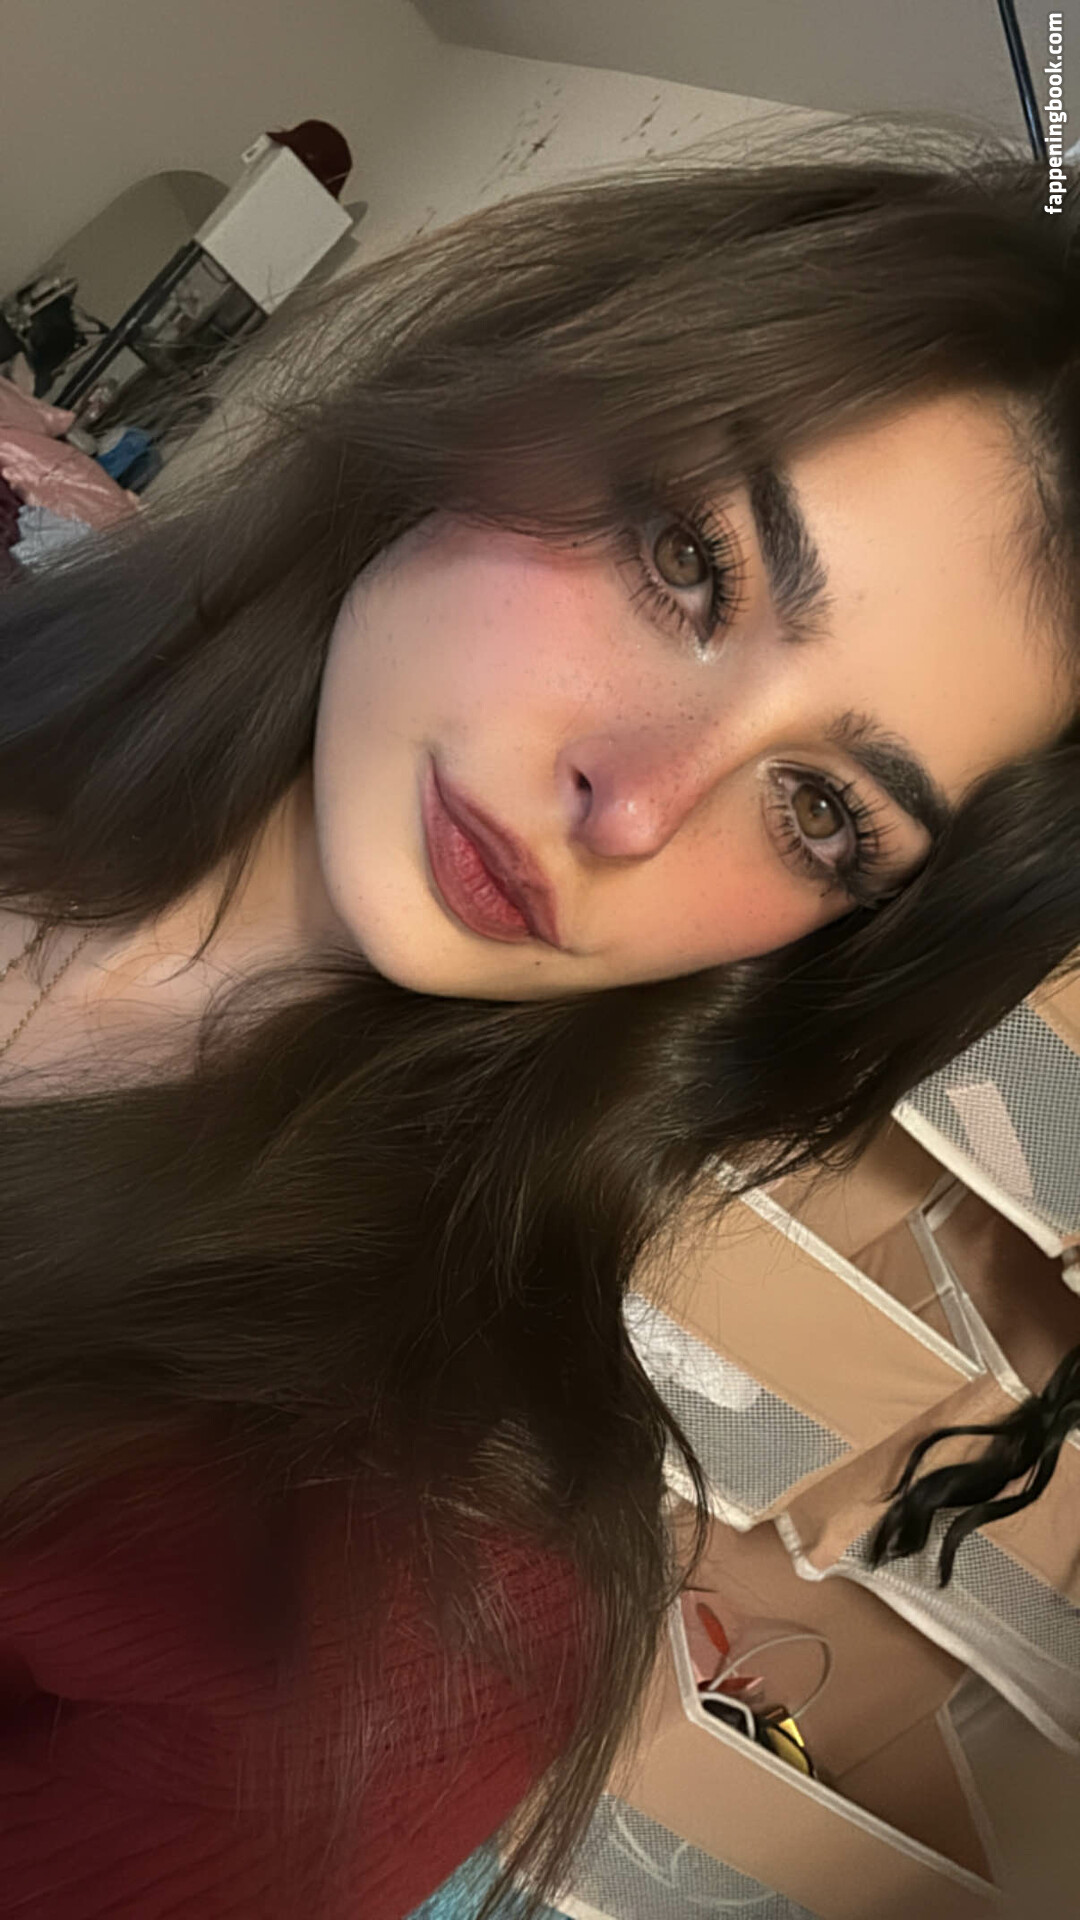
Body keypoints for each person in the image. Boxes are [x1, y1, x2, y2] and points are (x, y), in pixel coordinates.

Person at [0, 115, 1077, 1920]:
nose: (638, 807)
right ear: (531, 382)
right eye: (690, 562)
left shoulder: (389, 1614)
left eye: (824, 812)